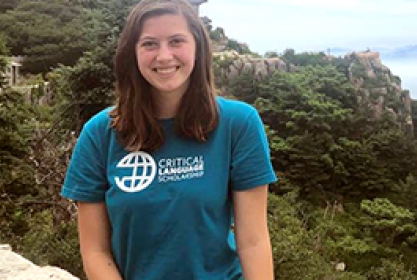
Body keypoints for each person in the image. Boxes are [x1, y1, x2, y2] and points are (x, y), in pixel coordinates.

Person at [60, 0, 276, 279]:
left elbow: (253, 241)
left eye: (176, 41)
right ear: (132, 53)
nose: (164, 56)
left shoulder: (238, 124)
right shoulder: (100, 134)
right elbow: (95, 251)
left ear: (197, 47)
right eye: (149, 44)